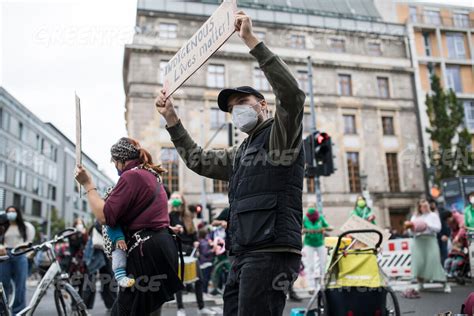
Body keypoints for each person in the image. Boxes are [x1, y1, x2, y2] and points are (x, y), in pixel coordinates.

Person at [155, 10, 305, 316]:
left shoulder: (280, 136)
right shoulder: (240, 152)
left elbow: (292, 96)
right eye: (232, 109)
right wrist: (172, 120)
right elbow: (198, 160)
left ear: (263, 105)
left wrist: (251, 40)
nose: (237, 112)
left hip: (270, 252)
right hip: (245, 253)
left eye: (243, 104)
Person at [75, 137, 183, 315]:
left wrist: (88, 184)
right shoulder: (151, 176)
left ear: (121, 161)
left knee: (125, 311)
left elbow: (105, 216)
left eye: (114, 162)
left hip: (146, 251)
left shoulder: (131, 176)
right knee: (149, 310)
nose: (115, 166)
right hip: (162, 247)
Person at [168, 193, 215, 316]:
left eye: (177, 198)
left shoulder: (187, 215)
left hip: (190, 252)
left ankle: (201, 307)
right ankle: (180, 309)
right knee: (179, 281)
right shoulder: (169, 215)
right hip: (178, 250)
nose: (175, 200)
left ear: (182, 201)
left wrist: (195, 241)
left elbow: (193, 233)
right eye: (173, 198)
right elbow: (166, 233)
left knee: (199, 279)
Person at [404, 199, 450, 293]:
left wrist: (427, 225)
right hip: (418, 241)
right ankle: (420, 284)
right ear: (419, 207)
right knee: (418, 263)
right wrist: (411, 228)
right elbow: (410, 232)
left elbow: (438, 228)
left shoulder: (433, 215)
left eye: (427, 205)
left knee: (434, 261)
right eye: (423, 206)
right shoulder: (415, 216)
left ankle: (445, 283)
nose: (426, 207)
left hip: (430, 239)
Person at [0, 206, 35, 314]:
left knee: (20, 285)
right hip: (5, 254)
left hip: (20, 254)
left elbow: (29, 241)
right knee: (3, 284)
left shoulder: (26, 226)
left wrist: (28, 253)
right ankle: (2, 310)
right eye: (9, 211)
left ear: (17, 213)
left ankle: (18, 311)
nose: (11, 213)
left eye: (13, 211)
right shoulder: (2, 226)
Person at [82, 221, 117, 311]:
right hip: (97, 253)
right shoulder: (100, 223)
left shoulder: (100, 223)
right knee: (92, 281)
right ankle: (84, 306)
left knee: (107, 280)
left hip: (102, 253)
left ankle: (111, 305)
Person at [302, 207, 331, 293]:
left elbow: (329, 227)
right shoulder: (305, 219)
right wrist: (307, 230)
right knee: (310, 265)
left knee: (323, 264)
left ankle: (322, 284)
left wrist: (322, 229)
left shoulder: (320, 218)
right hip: (309, 244)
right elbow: (301, 229)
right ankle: (311, 286)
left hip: (320, 243)